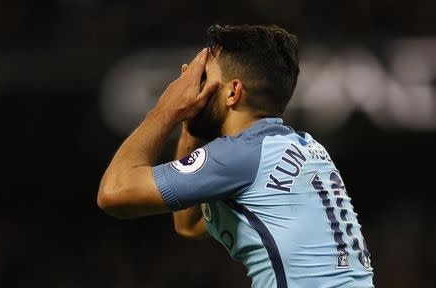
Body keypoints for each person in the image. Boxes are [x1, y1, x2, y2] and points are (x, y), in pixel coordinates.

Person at [97, 24, 374, 288]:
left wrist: (167, 108)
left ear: (233, 92)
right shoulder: (303, 146)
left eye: (205, 78)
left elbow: (113, 192)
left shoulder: (240, 156)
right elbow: (189, 222)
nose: (195, 86)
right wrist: (192, 124)